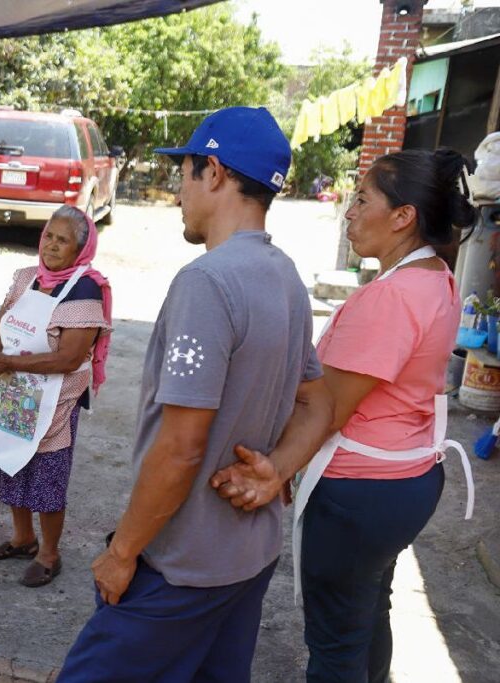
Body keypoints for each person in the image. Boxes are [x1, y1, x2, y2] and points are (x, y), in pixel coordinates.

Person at [57, 107, 333, 682]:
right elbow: (318, 404)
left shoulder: (207, 283)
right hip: (248, 558)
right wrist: (275, 471)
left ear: (212, 172)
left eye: (182, 172)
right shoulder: (286, 277)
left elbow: (182, 448)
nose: (177, 191)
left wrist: (123, 552)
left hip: (182, 565)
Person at [210, 148, 477, 682]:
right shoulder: (436, 277)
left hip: (360, 493)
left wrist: (276, 468)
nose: (348, 212)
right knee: (364, 616)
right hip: (405, 478)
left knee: (335, 643)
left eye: (361, 199)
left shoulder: (391, 298)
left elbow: (326, 408)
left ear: (403, 217)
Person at [0, 205, 112, 588]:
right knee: (12, 462)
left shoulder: (85, 289)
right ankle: (23, 539)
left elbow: (69, 357)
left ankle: (49, 554)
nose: (52, 246)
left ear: (81, 248)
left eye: (63, 240)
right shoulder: (27, 278)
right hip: (13, 393)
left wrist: (7, 362)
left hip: (54, 401)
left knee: (46, 477)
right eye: (48, 236)